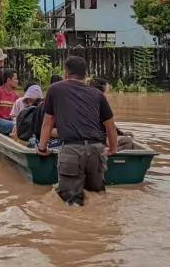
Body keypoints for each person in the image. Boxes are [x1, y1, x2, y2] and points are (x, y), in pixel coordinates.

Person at [38, 56, 118, 205]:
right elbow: (110, 126)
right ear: (86, 74)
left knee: (71, 203)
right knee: (97, 197)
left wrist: (42, 148)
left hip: (71, 151)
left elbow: (48, 122)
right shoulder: (97, 94)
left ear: (65, 74)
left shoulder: (55, 89)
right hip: (96, 150)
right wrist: (113, 148)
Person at [89, 77, 135, 150]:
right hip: (97, 137)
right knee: (128, 142)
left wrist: (121, 133)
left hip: (89, 137)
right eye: (107, 92)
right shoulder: (100, 102)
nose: (108, 95)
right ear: (101, 92)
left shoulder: (86, 101)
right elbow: (108, 124)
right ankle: (107, 152)